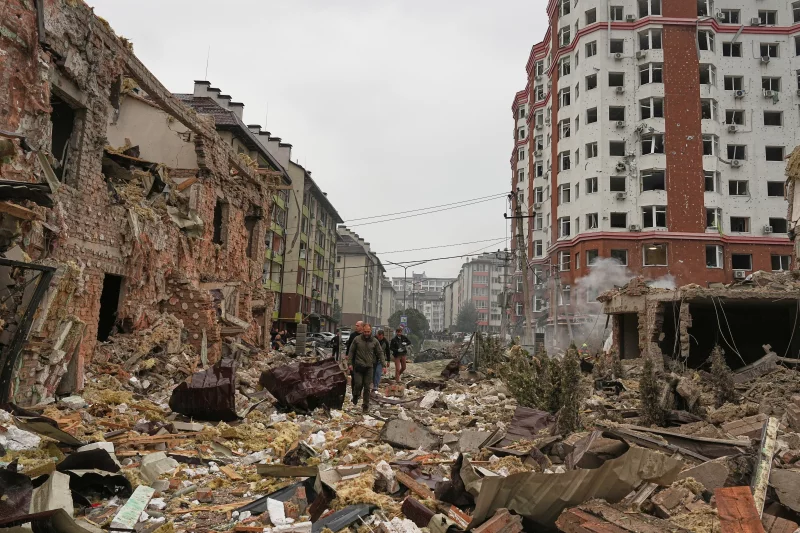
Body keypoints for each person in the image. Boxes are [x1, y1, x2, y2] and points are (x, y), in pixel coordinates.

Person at [347, 323, 386, 412]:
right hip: (358, 367)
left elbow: (380, 353)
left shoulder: (374, 341)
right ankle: (356, 396)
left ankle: (365, 406)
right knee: (358, 384)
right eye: (365, 331)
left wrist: (384, 365)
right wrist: (350, 363)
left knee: (367, 387)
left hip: (369, 367)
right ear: (362, 331)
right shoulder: (357, 340)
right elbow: (351, 352)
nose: (366, 333)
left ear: (371, 331)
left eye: (368, 332)